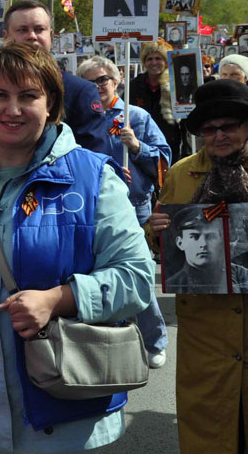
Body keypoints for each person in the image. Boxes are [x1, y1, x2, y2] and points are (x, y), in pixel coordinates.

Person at [0, 42, 153, 452]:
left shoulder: (94, 178)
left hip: (65, 417)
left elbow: (138, 279)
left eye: (28, 96)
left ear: (51, 105)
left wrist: (59, 298)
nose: (13, 109)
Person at [147, 78, 248, 452]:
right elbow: (159, 242)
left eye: (229, 126)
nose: (219, 136)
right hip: (206, 331)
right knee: (210, 433)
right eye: (209, 129)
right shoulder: (181, 173)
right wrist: (155, 230)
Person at [76, 55, 171, 368]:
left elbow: (164, 165)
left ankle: (154, 339)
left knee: (136, 274)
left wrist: (137, 147)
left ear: (115, 81)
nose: (97, 86)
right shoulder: (76, 116)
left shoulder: (136, 117)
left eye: (102, 79)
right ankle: (106, 342)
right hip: (88, 205)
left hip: (133, 207)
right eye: (89, 82)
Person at [0, 0, 106, 154]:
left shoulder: (81, 91)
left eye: (39, 29)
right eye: (22, 30)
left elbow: (92, 159)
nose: (32, 36)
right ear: (6, 36)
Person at [130, 40, 189, 161]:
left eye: (158, 58)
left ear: (166, 62)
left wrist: (186, 154)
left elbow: (185, 124)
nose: (154, 63)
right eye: (149, 59)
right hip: (141, 146)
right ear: (144, 62)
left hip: (171, 145)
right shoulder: (135, 85)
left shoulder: (177, 85)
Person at [164, 207, 228, 293]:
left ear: (221, 240)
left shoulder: (239, 276)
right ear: (180, 243)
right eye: (194, 236)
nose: (203, 244)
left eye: (210, 236)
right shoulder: (173, 285)